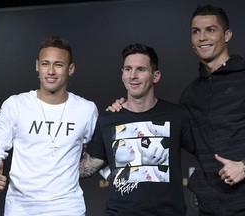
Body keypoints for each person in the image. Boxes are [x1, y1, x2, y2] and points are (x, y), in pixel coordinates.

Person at [107, 4, 245, 216]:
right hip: (210, 208)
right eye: (196, 31)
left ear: (227, 35)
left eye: (210, 30)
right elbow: (174, 135)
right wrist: (126, 109)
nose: (202, 37)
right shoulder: (190, 94)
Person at [79, 43, 195, 215]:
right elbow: (88, 166)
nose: (133, 75)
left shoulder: (177, 115)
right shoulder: (108, 119)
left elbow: (205, 151)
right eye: (128, 69)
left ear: (156, 76)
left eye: (141, 69)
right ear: (122, 74)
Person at [0, 35, 98, 216]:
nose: (51, 71)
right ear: (37, 66)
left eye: (59, 65)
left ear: (70, 69)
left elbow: (98, 153)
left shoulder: (86, 109)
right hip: (20, 207)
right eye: (46, 64)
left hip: (68, 206)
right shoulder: (15, 104)